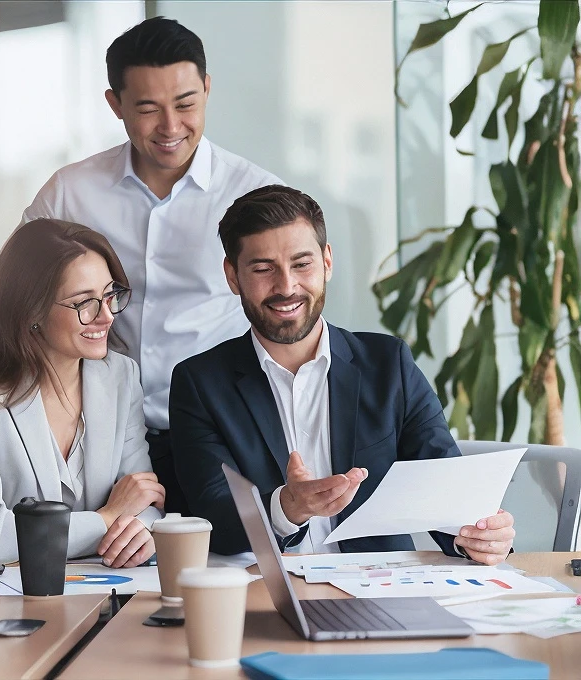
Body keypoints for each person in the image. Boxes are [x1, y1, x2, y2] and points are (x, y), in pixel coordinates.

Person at [169, 185, 516, 563]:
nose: (286, 287)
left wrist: (479, 536)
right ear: (233, 276)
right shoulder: (199, 383)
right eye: (263, 269)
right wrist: (287, 508)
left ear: (327, 262)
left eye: (302, 264)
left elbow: (444, 487)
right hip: (264, 591)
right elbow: (213, 515)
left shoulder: (390, 364)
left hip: (379, 589)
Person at [21, 17, 282, 514]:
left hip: (220, 432)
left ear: (207, 89)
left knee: (230, 569)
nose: (170, 126)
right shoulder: (68, 194)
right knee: (105, 573)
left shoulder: (254, 196)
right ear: (115, 104)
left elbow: (285, 312)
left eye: (186, 104)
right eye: (147, 108)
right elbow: (16, 304)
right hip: (100, 439)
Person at [0, 218, 166, 567]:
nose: (106, 317)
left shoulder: (121, 375)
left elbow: (145, 500)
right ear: (32, 310)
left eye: (110, 295)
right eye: (84, 302)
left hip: (97, 584)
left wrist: (142, 528)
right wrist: (106, 518)